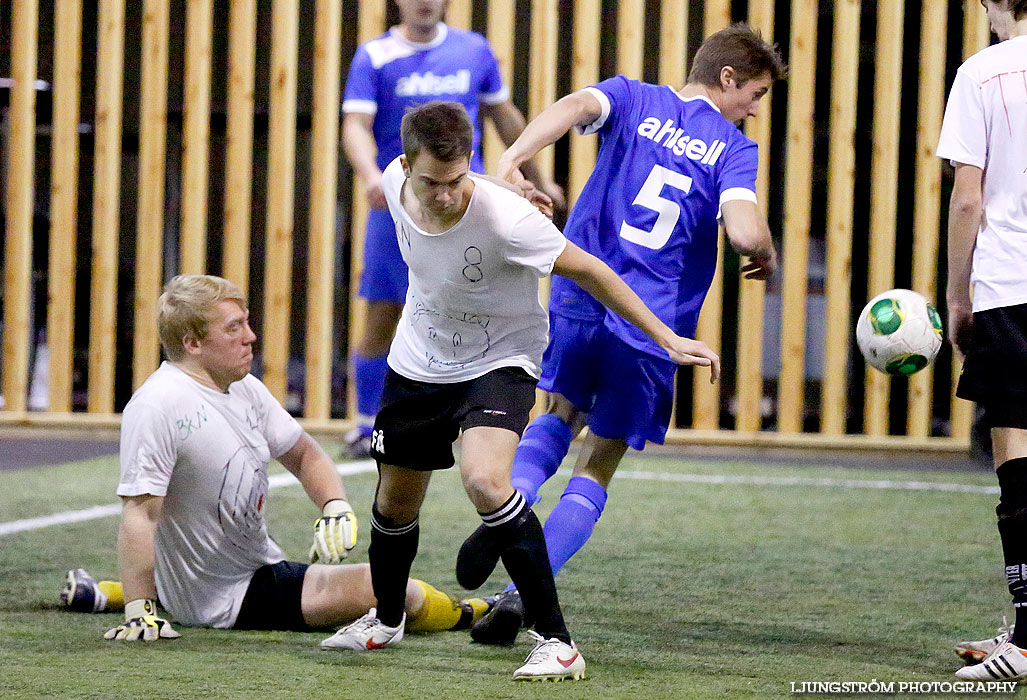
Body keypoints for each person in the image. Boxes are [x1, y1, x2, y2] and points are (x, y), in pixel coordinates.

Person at [318, 101, 719, 681]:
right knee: (394, 503)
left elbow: (595, 272)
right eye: (432, 182)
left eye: (457, 181)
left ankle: (557, 642)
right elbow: (449, 183)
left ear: (469, 167)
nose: (446, 195)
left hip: (500, 360)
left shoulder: (510, 220)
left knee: (486, 480)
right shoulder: (391, 181)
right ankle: (384, 620)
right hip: (417, 360)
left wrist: (667, 337)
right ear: (405, 165)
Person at [464, 23, 786, 645]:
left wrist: (510, 159)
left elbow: (572, 107)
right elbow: (745, 232)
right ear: (728, 79)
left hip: (581, 297)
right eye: (756, 94)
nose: (753, 109)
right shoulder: (733, 147)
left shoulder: (633, 97)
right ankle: (517, 594)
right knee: (600, 460)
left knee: (556, 415)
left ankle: (507, 510)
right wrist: (764, 250)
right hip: (651, 326)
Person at [88, 274, 487, 641]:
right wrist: (140, 612)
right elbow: (140, 514)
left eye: (246, 322)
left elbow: (303, 454)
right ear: (192, 343)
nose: (251, 336)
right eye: (234, 328)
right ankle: (476, 613)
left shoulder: (244, 388)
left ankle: (108, 594)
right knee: (400, 593)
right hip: (227, 599)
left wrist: (334, 506)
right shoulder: (158, 404)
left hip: (256, 568)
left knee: (381, 583)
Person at [341, 0, 563, 458]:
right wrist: (368, 175)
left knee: (475, 308)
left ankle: (478, 416)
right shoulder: (374, 56)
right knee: (383, 312)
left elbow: (505, 117)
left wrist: (538, 178)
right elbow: (355, 125)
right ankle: (366, 425)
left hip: (469, 205)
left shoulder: (473, 49)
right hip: (403, 203)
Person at [936, 0, 1027, 681]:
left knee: (1017, 464)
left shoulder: (983, 72)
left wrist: (956, 294)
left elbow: (967, 198)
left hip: (1011, 287)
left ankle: (1023, 642)